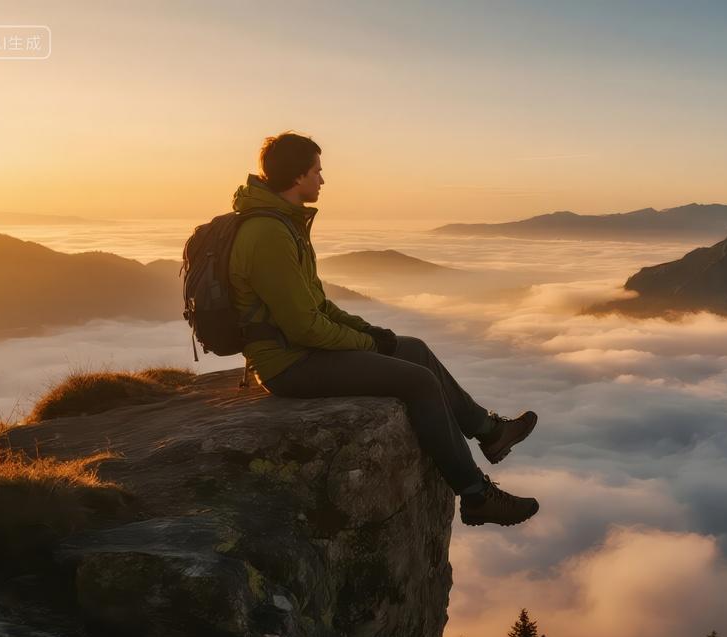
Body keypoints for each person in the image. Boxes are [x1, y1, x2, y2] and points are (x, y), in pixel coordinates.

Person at [228, 131, 539, 527]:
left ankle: (489, 431)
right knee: (419, 381)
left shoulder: (284, 225)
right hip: (288, 364)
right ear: (297, 176)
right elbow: (304, 327)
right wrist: (366, 343)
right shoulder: (268, 234)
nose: (322, 180)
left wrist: (372, 332)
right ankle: (476, 495)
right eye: (317, 171)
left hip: (301, 350)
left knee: (414, 348)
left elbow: (318, 304)